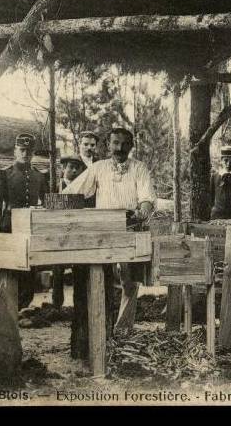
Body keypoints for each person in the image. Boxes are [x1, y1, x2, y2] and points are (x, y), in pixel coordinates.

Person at [63, 128, 156, 337]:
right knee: (102, 280)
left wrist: (143, 210)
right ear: (107, 145)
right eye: (115, 143)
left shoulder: (140, 168)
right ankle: (101, 331)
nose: (120, 148)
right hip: (104, 232)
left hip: (131, 229)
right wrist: (55, 202)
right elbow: (73, 191)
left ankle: (122, 331)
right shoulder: (98, 168)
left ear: (131, 146)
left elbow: (147, 197)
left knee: (130, 282)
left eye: (124, 144)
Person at [0, 132, 48, 309]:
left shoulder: (39, 176)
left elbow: (45, 202)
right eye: (22, 150)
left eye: (29, 150)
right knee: (11, 265)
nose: (25, 154)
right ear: (16, 151)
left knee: (29, 265)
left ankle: (25, 303)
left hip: (30, 225)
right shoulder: (5, 174)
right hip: (9, 224)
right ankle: (9, 304)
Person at [208, 145, 231, 220]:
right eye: (226, 160)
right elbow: (211, 197)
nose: (228, 164)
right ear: (221, 160)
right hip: (217, 216)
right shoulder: (215, 176)